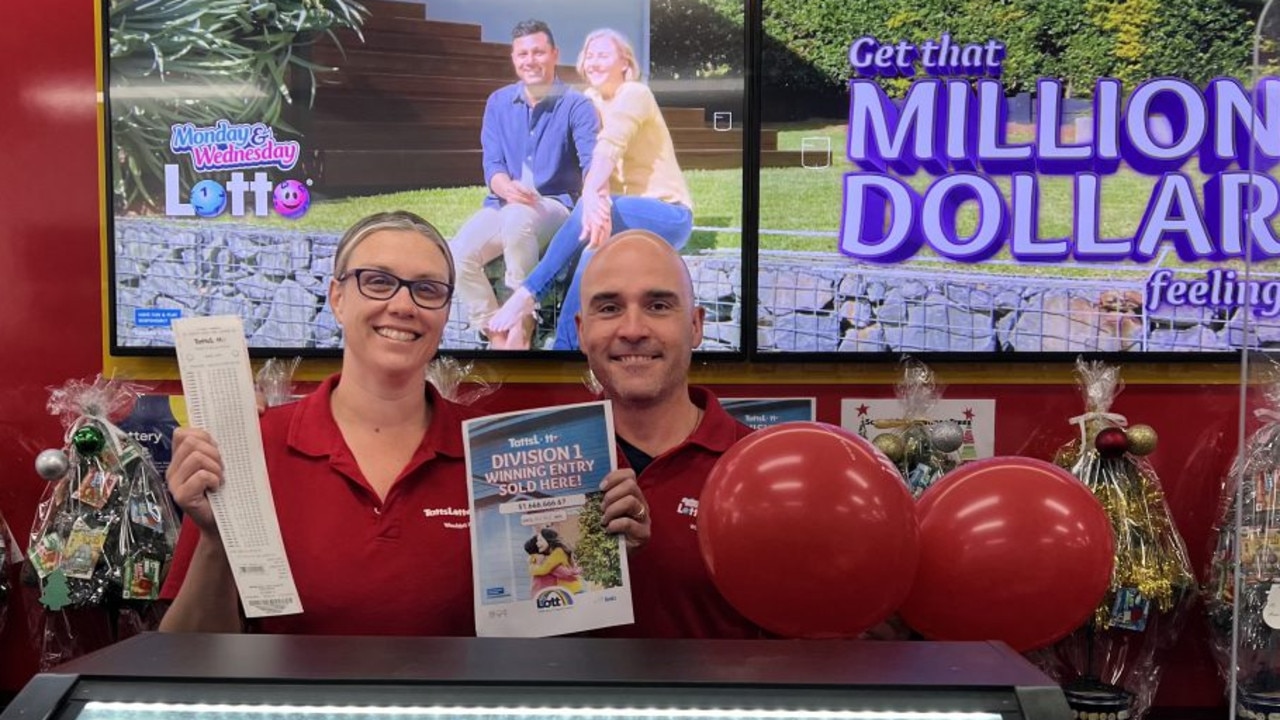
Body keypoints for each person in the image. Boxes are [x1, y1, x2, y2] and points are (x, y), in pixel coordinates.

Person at [158, 210, 650, 635]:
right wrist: (217, 541)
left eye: (427, 289)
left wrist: (603, 549)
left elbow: (552, 622)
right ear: (337, 297)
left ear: (445, 310)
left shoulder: (502, 456)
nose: (402, 305)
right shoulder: (254, 448)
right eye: (377, 281)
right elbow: (186, 659)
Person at [573, 229, 762, 639]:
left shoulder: (758, 468)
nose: (633, 329)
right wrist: (592, 556)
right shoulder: (533, 470)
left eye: (658, 305)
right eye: (609, 308)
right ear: (581, 331)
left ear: (695, 325)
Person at [487, 29, 694, 351]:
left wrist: (593, 196)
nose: (594, 62)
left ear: (625, 62)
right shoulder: (591, 102)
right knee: (591, 256)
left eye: (604, 55)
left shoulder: (635, 93)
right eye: (590, 55)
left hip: (668, 214)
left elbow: (609, 148)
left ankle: (528, 294)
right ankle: (565, 350)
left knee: (588, 207)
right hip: (614, 214)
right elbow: (585, 156)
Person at [449, 20, 599, 350]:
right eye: (522, 53)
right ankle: (495, 332)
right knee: (457, 253)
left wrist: (594, 201)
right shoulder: (498, 102)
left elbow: (593, 164)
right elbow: (493, 164)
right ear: (514, 58)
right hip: (503, 203)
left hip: (555, 206)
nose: (530, 60)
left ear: (554, 54)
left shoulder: (577, 105)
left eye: (538, 52)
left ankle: (522, 321)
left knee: (519, 220)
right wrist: (504, 186)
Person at [524, 527, 583, 595]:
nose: (538, 543)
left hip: (571, 590)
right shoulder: (551, 556)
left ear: (548, 539)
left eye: (540, 540)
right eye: (537, 541)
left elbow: (546, 569)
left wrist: (532, 568)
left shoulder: (557, 552)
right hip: (565, 591)